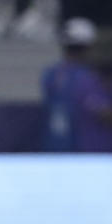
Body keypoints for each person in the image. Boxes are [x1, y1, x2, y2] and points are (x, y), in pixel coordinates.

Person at [40, 17, 100, 151]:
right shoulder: (88, 77)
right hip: (79, 148)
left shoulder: (49, 73)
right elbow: (103, 113)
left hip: (52, 145)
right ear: (87, 47)